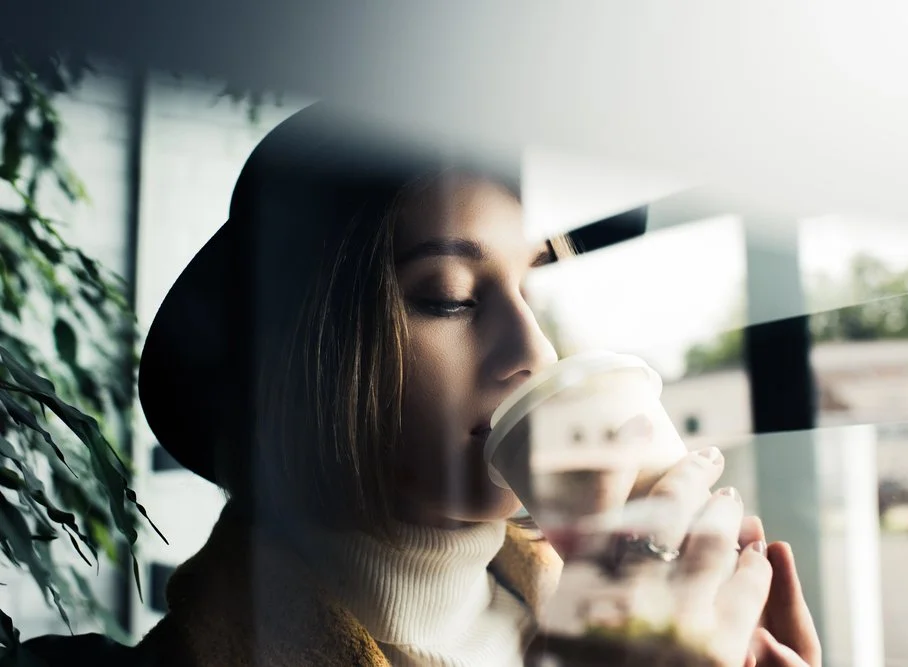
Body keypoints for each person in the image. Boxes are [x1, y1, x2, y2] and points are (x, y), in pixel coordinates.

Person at [8, 102, 821, 667]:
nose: (531, 352)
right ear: (297, 361)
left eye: (529, 292)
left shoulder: (618, 620)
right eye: (450, 298)